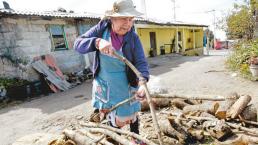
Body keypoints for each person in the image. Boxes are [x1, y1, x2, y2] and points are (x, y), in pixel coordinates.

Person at [74, 0, 149, 135]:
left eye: (130, 19)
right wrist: (97, 42)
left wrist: (143, 83)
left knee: (131, 113)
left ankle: (136, 137)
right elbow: (78, 44)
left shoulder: (133, 37)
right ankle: (114, 138)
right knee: (112, 115)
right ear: (112, 18)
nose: (128, 24)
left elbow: (141, 62)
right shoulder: (101, 29)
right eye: (123, 19)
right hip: (106, 82)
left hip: (127, 81)